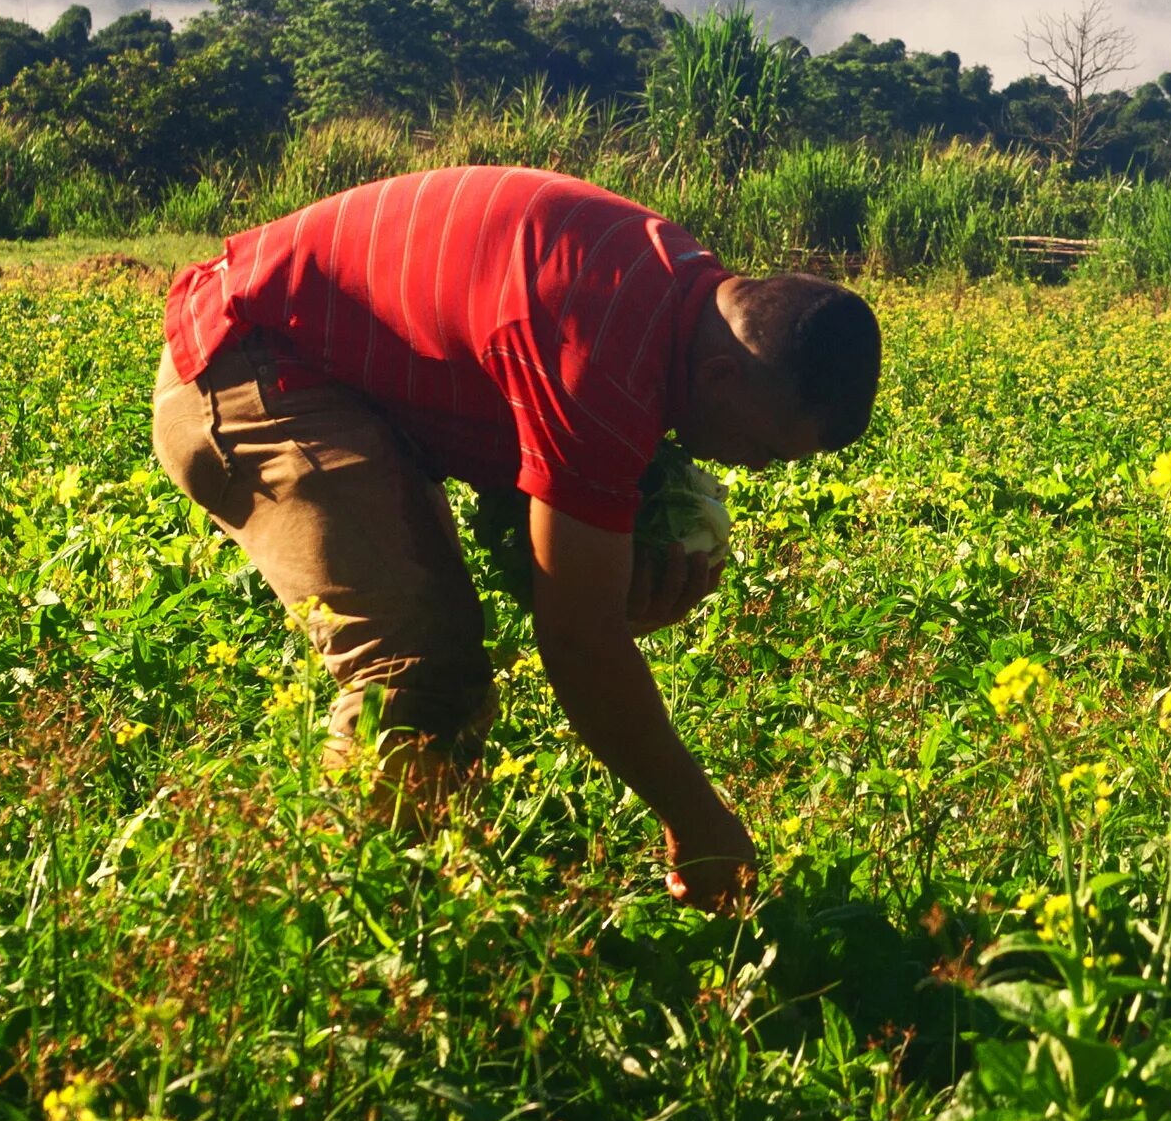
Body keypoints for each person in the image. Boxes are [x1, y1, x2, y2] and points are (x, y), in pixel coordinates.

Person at [149, 165, 879, 909]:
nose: (754, 467)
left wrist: (605, 592)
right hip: (245, 363)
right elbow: (579, 643)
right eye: (767, 447)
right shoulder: (601, 357)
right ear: (723, 376)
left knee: (441, 673)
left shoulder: (675, 288)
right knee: (416, 670)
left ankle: (421, 909)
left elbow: (577, 600)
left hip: (323, 369)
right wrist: (699, 822)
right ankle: (326, 930)